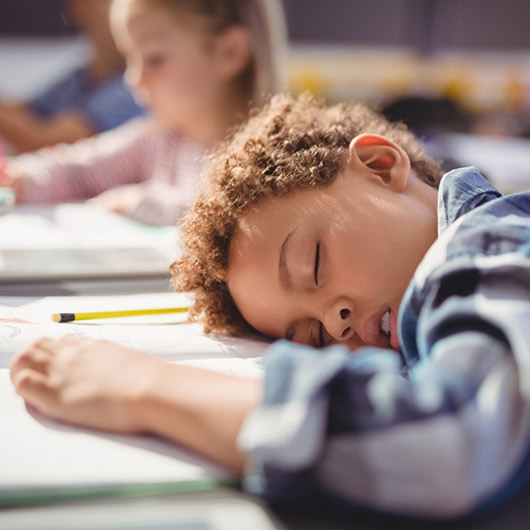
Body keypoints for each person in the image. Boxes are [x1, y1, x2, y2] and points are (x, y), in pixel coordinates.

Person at [10, 92, 530, 519]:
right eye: (314, 337)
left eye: (315, 265)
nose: (335, 321)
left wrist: (147, 389)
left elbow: (451, 444)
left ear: (378, 164)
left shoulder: (489, 244)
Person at [0, 0, 286, 225]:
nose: (133, 79)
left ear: (229, 53)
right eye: (130, 60)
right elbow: (78, 171)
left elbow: (229, 216)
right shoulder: (159, 140)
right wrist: (20, 180)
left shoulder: (273, 157)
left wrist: (135, 202)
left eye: (153, 58)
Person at [0, 0, 143, 154]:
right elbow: (25, 113)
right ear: (79, 5)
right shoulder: (80, 78)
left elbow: (43, 142)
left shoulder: (136, 85)